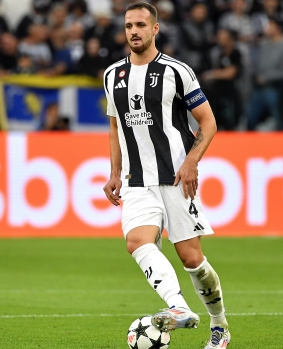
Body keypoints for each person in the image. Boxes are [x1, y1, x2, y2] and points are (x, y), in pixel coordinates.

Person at [102, 3, 230, 349]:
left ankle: (219, 327)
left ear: (155, 29)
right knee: (137, 242)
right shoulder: (112, 75)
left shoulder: (177, 71)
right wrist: (114, 172)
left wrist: (191, 162)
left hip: (175, 177)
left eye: (141, 24)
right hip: (137, 180)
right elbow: (115, 127)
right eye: (129, 25)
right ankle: (178, 307)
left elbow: (208, 122)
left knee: (191, 258)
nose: (134, 31)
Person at [248, 16, 283, 131]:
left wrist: (267, 78)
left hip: (276, 88)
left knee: (279, 120)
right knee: (250, 119)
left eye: (270, 25)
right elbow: (258, 65)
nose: (267, 28)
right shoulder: (263, 44)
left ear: (277, 28)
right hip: (259, 88)